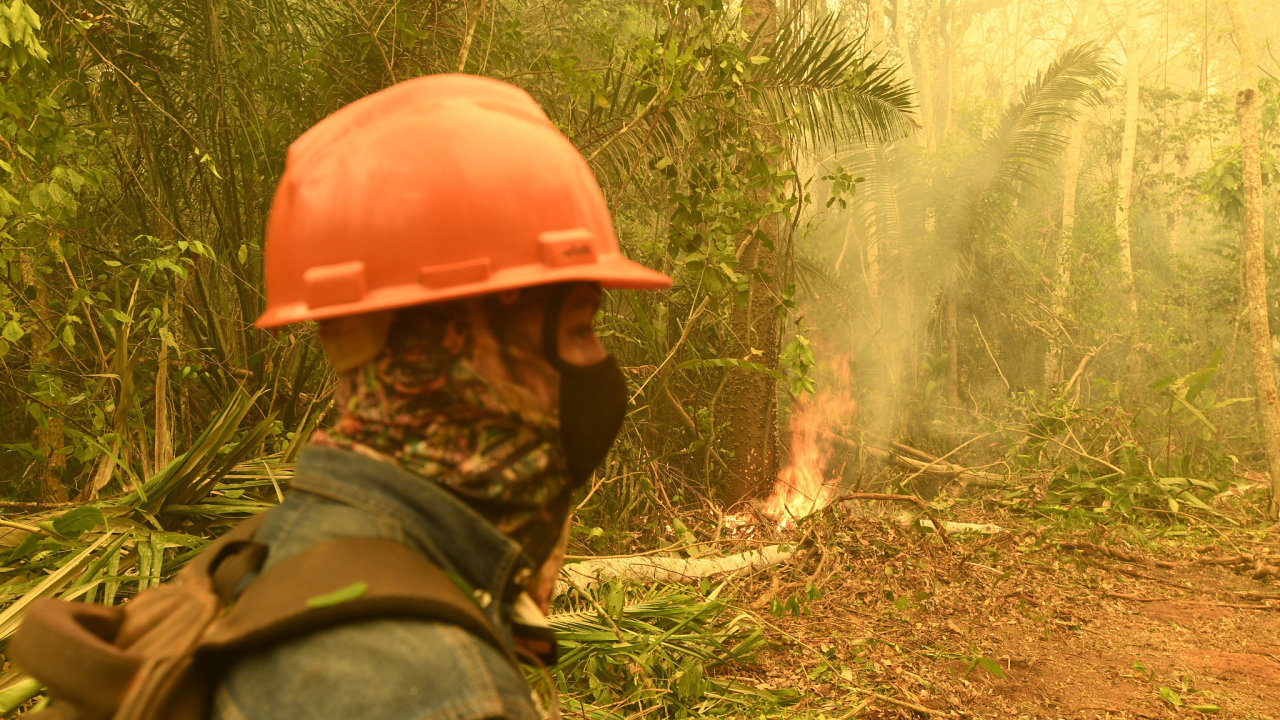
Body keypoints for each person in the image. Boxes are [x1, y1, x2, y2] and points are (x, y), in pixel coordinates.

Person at [212, 74, 671, 720]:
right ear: (452, 345)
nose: (601, 370)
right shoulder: (438, 695)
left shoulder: (275, 560)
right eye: (577, 328)